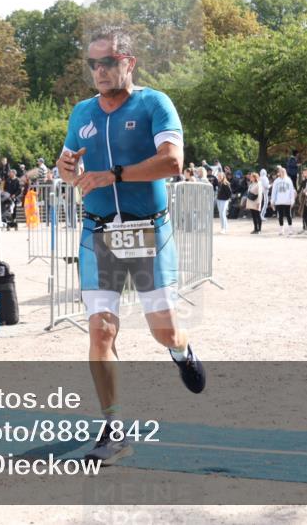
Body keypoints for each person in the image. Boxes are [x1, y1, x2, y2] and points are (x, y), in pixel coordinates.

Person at [56, 25, 205, 465]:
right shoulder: (81, 112)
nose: (99, 71)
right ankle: (113, 427)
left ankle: (181, 350)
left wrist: (114, 174)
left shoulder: (154, 103)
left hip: (147, 232)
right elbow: (69, 170)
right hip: (98, 232)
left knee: (164, 330)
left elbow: (173, 161)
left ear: (129, 62)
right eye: (93, 63)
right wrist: (66, 168)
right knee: (101, 330)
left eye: (108, 62)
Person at [270, 166, 296, 236]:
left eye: (283, 172)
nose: (282, 173)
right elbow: (274, 192)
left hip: (287, 201)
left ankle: (290, 229)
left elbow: (291, 191)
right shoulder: (276, 181)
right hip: (279, 201)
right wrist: (272, 201)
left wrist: (292, 200)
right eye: (281, 172)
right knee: (280, 216)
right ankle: (281, 229)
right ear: (279, 173)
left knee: (288, 215)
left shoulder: (289, 180)